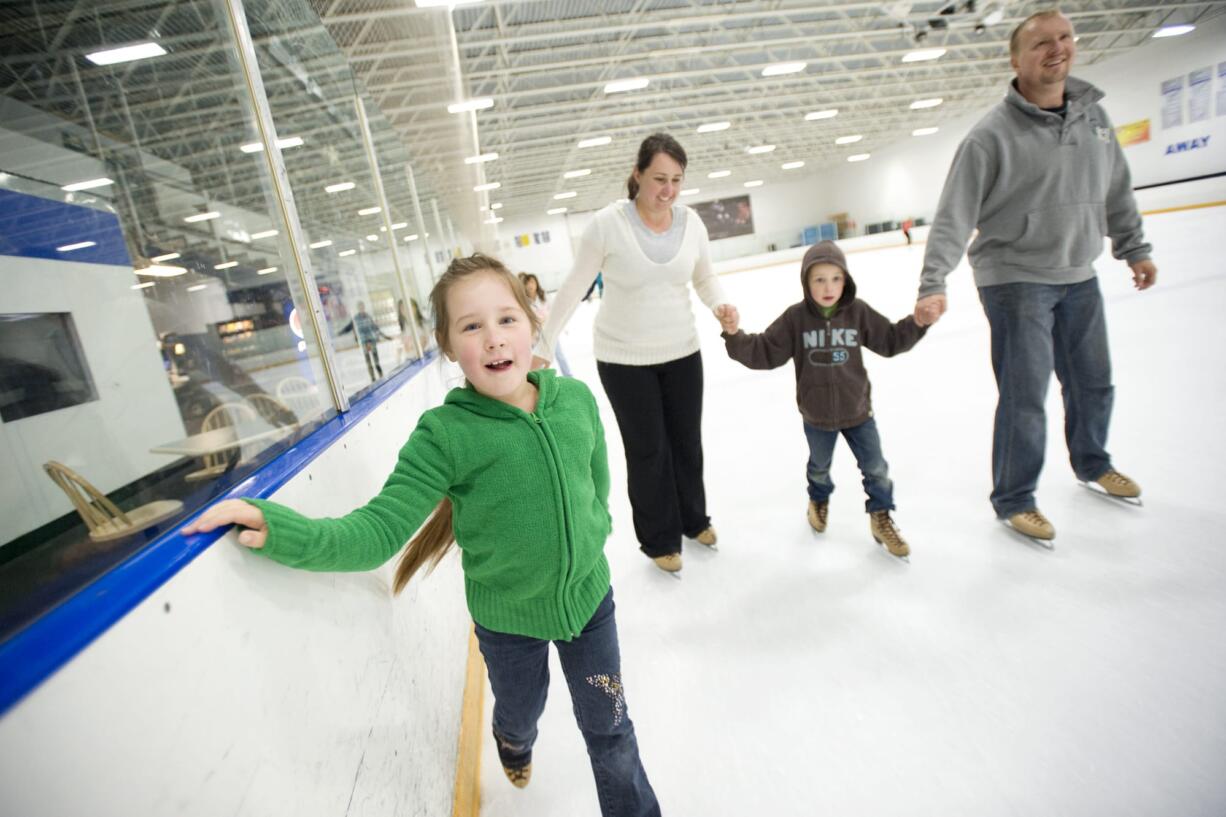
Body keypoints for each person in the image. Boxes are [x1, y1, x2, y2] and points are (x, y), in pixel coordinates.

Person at [184, 254, 660, 817]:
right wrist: (281, 528)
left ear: (532, 323)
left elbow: (597, 481)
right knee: (519, 709)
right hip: (508, 624)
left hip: (589, 607)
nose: (493, 339)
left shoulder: (574, 402)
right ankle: (512, 740)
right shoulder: (444, 435)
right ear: (448, 344)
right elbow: (377, 531)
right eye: (471, 325)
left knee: (611, 729)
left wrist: (593, 536)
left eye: (506, 318)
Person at [914, 9, 1157, 542]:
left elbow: (1117, 187)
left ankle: (1093, 462)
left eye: (1065, 37)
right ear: (1016, 59)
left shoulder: (1094, 118)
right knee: (1026, 395)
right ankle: (1015, 498)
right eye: (1042, 42)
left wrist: (1133, 246)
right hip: (1015, 278)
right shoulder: (989, 137)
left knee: (1094, 382)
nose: (1058, 49)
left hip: (1079, 271)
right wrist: (933, 282)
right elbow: (955, 214)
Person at [533, 132, 739, 575]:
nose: (667, 191)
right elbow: (573, 288)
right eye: (659, 178)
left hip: (682, 351)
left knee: (687, 444)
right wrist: (543, 345)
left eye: (676, 181)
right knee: (648, 451)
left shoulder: (692, 223)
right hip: (624, 359)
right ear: (638, 174)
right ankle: (659, 539)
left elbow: (705, 277)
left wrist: (720, 303)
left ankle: (693, 519)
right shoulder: (608, 224)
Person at [719, 241, 931, 558]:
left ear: (845, 280)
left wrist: (917, 323)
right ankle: (818, 499)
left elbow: (888, 340)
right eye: (819, 279)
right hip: (816, 416)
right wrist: (734, 335)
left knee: (876, 469)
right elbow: (764, 351)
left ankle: (881, 516)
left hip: (858, 411)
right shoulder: (795, 319)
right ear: (806, 282)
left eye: (835, 278)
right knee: (819, 467)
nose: (828, 286)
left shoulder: (857, 312)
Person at [519, 272, 569, 373]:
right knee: (539, 359)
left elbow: (553, 310)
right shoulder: (524, 301)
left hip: (549, 331)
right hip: (535, 335)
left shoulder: (544, 296)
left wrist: (547, 320)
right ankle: (544, 380)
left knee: (559, 355)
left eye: (532, 282)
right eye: (527, 283)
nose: (530, 285)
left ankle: (568, 375)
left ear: (536, 283)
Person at [341, 300, 391, 382]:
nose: (362, 308)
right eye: (360, 307)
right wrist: (341, 333)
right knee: (368, 361)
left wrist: (385, 336)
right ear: (358, 308)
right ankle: (373, 378)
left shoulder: (368, 316)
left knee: (376, 360)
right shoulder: (356, 318)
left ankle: (381, 375)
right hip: (364, 341)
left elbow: (375, 327)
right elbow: (350, 328)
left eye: (362, 307)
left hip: (372, 340)